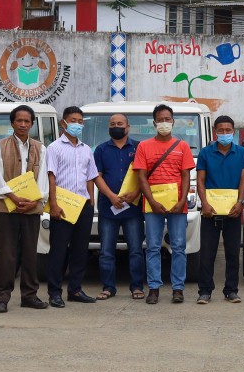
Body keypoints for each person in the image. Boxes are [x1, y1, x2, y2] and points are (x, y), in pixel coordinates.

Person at [0, 104, 50, 313]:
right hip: (7, 207)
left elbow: (43, 180)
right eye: (19, 120)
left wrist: (36, 200)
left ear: (32, 124)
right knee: (6, 254)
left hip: (32, 207)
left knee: (31, 253)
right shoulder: (0, 146)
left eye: (27, 121)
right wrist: (13, 197)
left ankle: (29, 296)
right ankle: (2, 297)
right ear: (12, 123)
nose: (23, 124)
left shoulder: (41, 148)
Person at [134, 104, 195, 305]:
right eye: (160, 119)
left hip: (178, 205)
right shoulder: (144, 146)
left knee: (178, 247)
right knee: (152, 247)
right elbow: (141, 177)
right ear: (154, 123)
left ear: (173, 122)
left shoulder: (182, 146)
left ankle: (178, 289)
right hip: (152, 205)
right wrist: (151, 200)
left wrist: (182, 200)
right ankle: (154, 288)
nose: (164, 123)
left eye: (168, 119)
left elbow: (186, 175)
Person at [46, 105, 99, 308]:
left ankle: (75, 289)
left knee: (80, 250)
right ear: (64, 123)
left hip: (83, 205)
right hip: (62, 206)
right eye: (73, 120)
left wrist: (91, 200)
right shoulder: (54, 148)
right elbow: (51, 176)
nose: (77, 124)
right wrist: (53, 204)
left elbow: (91, 176)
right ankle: (55, 292)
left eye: (80, 121)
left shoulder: (86, 149)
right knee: (59, 250)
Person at [195, 115, 244, 304]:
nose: (225, 133)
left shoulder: (242, 152)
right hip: (210, 211)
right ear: (215, 132)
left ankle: (231, 290)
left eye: (228, 130)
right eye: (221, 130)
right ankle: (205, 291)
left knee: (233, 252)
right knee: (207, 253)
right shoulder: (205, 153)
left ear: (233, 132)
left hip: (233, 210)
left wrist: (240, 202)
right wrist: (205, 204)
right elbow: (200, 180)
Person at [93, 113, 146, 301]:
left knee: (136, 250)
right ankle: (108, 287)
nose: (116, 126)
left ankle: (137, 287)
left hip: (133, 209)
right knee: (106, 251)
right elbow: (96, 176)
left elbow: (145, 175)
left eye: (120, 124)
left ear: (128, 127)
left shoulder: (140, 148)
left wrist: (136, 193)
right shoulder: (100, 150)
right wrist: (111, 196)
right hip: (108, 208)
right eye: (112, 124)